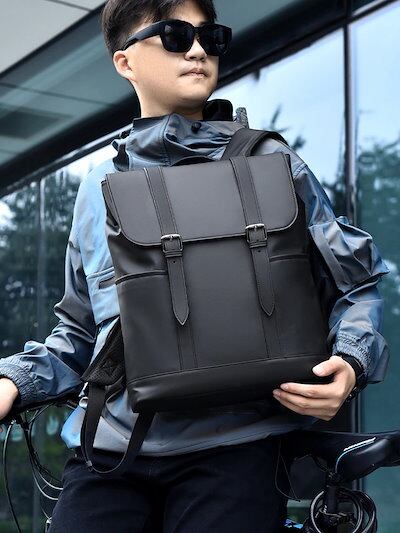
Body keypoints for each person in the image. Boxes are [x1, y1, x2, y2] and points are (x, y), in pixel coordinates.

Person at [0, 0, 390, 531]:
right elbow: (79, 335)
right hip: (111, 453)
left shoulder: (269, 162)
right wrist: (14, 381)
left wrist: (350, 362)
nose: (199, 50)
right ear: (124, 62)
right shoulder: (96, 190)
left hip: (237, 448)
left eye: (211, 36)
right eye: (176, 35)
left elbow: (355, 283)